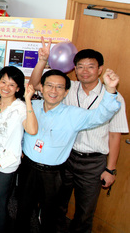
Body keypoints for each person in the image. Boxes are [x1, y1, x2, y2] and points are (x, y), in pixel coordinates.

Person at [29, 42, 128, 233]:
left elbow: (115, 135)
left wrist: (111, 169)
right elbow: (34, 86)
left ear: (100, 69)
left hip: (93, 162)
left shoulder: (113, 96)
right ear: (74, 69)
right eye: (80, 67)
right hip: (65, 157)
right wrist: (42, 60)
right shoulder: (67, 88)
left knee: (84, 211)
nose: (85, 71)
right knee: (57, 206)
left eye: (90, 67)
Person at [0, 67, 38, 233]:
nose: (6, 87)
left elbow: (32, 130)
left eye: (12, 84)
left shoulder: (20, 107)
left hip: (6, 165)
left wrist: (28, 101)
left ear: (18, 88)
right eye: (3, 82)